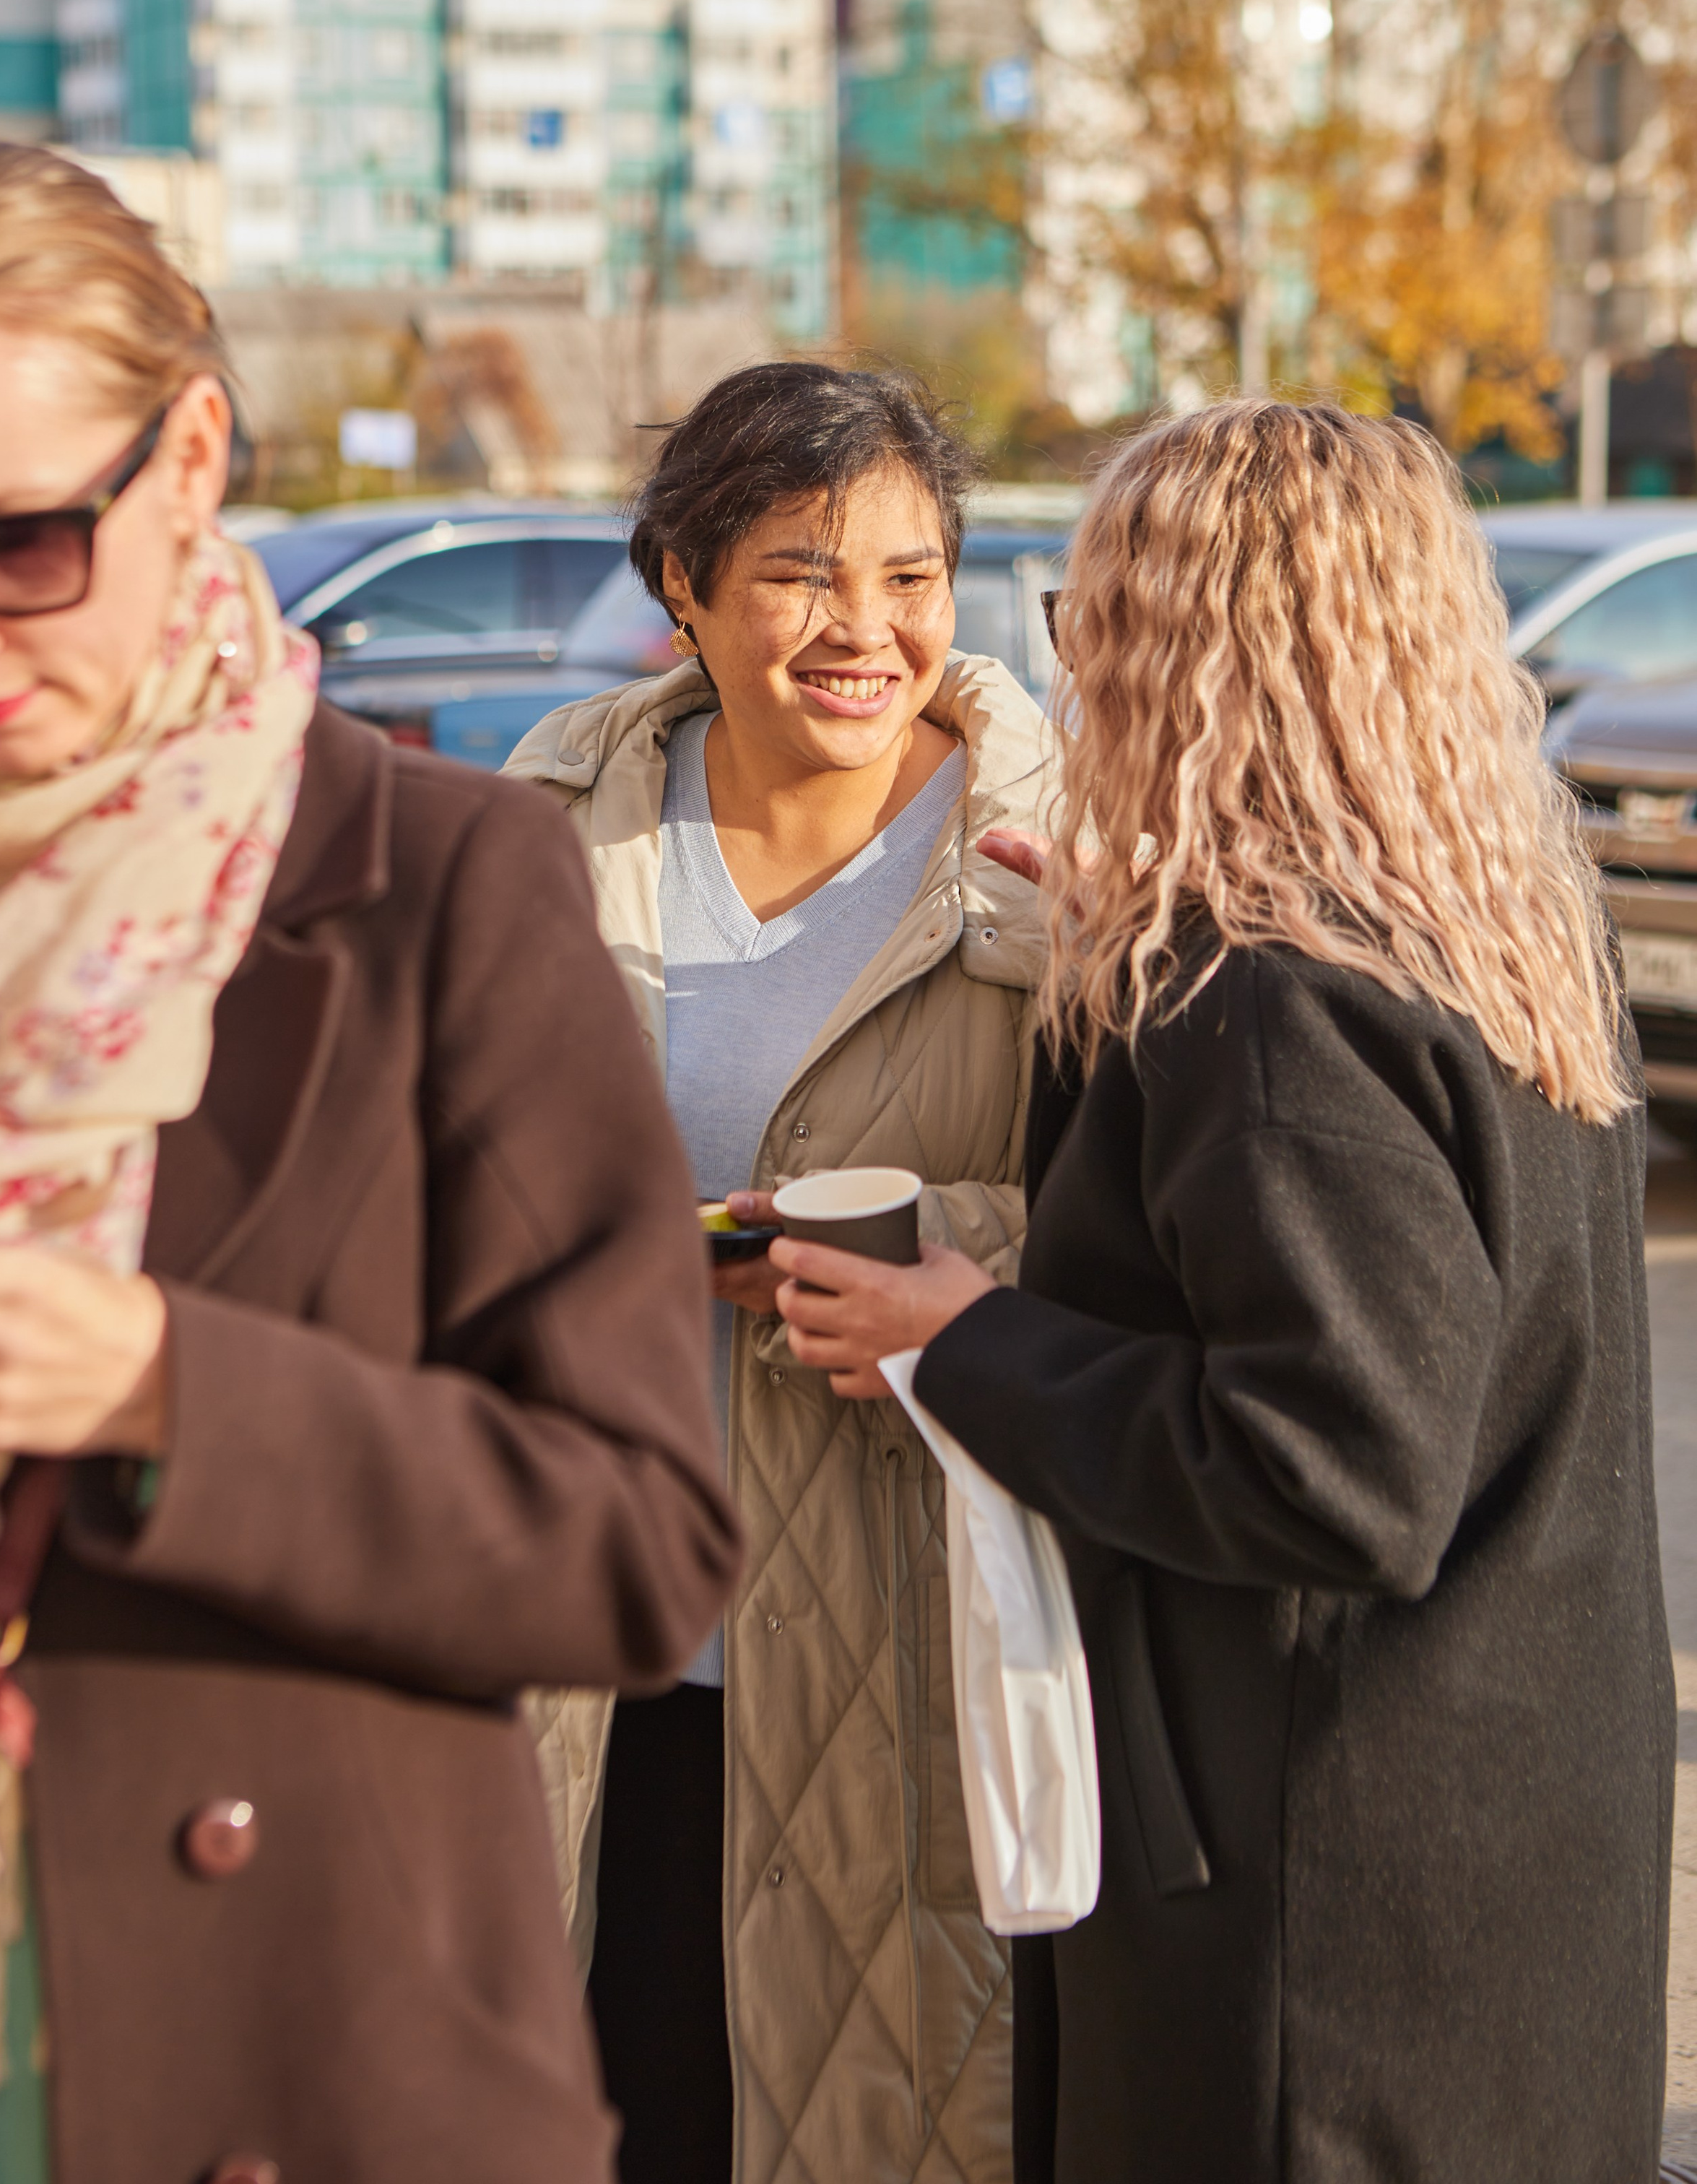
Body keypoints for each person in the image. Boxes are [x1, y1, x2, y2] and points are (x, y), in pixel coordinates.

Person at [0, 139, 739, 2184]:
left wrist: (169, 1393)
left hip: (313, 2071)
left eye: (17, 544)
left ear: (190, 462)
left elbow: (636, 1545)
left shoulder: (441, 888)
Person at [777, 401, 1675, 2184]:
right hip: (1495, 1854)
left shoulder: (1260, 999)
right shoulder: (1478, 936)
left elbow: (1334, 1464)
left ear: (1176, 650)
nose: (1070, 667)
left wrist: (961, 1336)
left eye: (1084, 619)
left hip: (1312, 1920)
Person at [511, 362, 1057, 2184]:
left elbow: (1158, 1231)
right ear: (681, 582)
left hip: (897, 1647)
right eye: (803, 572)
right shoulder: (551, 822)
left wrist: (938, 1250)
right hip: (588, 1646)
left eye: (912, 576)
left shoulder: (1052, 861)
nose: (866, 629)